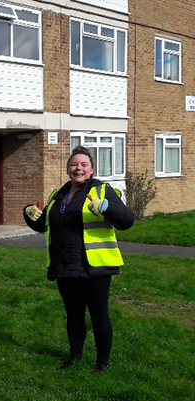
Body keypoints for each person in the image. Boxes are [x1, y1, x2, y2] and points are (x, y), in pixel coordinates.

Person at [24, 146, 134, 372]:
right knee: (73, 315)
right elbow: (44, 224)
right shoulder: (58, 195)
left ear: (92, 169)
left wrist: (107, 207)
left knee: (98, 315)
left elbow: (126, 220)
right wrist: (29, 215)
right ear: (67, 169)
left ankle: (102, 364)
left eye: (84, 165)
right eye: (74, 164)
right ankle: (75, 358)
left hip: (95, 266)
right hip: (65, 264)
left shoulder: (103, 191)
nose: (78, 168)